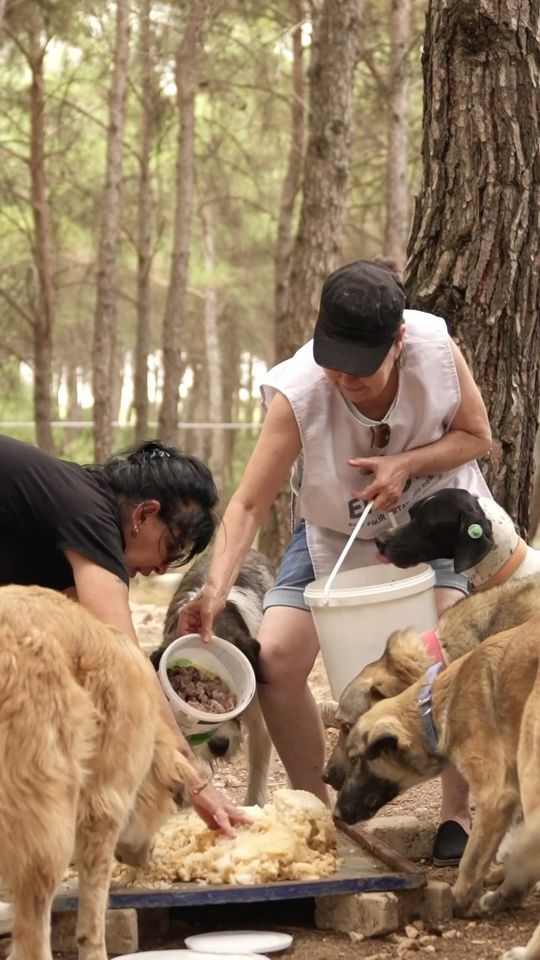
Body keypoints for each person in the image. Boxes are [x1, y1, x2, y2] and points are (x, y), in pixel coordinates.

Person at [179, 259, 493, 865]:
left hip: (437, 512)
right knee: (275, 656)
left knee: (450, 646)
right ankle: (321, 813)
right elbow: (247, 502)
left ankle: (457, 812)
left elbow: (477, 437)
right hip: (337, 523)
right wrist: (214, 589)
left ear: (397, 341)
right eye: (334, 357)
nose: (344, 376)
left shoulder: (434, 348)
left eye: (362, 365)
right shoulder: (299, 391)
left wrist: (406, 465)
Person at [0, 433, 249, 835]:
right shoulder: (90, 515)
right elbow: (127, 661)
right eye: (170, 547)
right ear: (144, 514)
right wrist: (195, 778)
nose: (161, 569)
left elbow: (87, 651)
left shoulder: (76, 513)